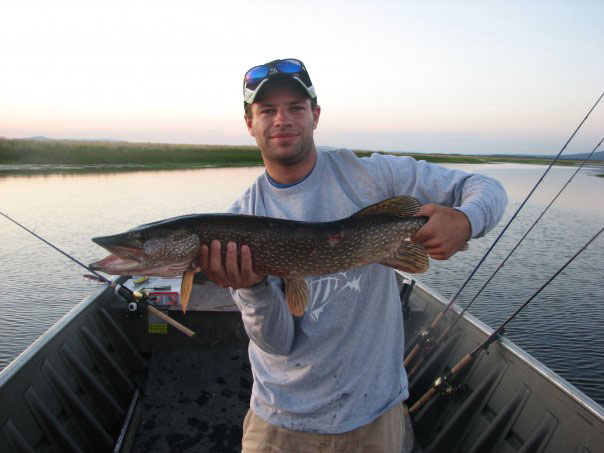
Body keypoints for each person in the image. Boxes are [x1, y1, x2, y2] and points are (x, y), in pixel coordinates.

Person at [196, 58, 508, 452]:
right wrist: (255, 289)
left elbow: (485, 186)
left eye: (295, 107)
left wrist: (466, 221)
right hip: (281, 420)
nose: (282, 120)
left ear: (315, 115)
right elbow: (277, 343)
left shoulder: (372, 175)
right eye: (267, 110)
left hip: (374, 415)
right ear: (249, 123)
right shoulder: (238, 224)